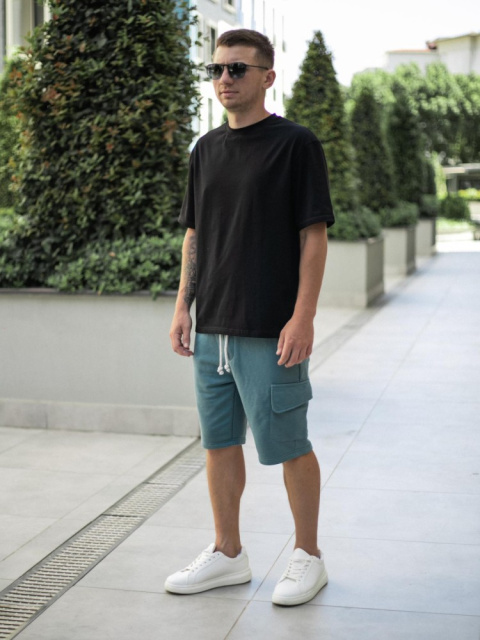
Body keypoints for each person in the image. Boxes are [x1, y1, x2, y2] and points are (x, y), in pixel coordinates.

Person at [166, 28, 335, 606]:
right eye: (216, 70)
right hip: (212, 325)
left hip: (270, 326)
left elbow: (314, 236)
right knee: (218, 443)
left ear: (267, 76)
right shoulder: (205, 150)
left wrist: (303, 316)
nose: (224, 79)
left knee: (289, 443)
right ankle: (228, 553)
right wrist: (183, 306)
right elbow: (194, 234)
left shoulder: (296, 144)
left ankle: (309, 556)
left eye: (237, 69)